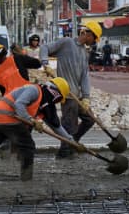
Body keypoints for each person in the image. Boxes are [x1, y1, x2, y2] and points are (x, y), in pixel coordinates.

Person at [0, 77, 72, 183]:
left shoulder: (43, 103)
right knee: (28, 147)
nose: (56, 102)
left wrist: (70, 141)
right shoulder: (34, 90)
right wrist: (31, 120)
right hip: (10, 119)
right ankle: (26, 181)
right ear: (55, 92)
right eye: (58, 99)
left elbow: (55, 126)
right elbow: (19, 104)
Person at [42, 22, 100, 158]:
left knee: (89, 120)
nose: (94, 41)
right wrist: (45, 64)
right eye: (94, 37)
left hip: (77, 95)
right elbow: (44, 48)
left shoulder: (84, 53)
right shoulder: (67, 43)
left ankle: (73, 142)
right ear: (87, 33)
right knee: (69, 125)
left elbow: (85, 76)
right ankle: (64, 153)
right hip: (66, 94)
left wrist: (86, 96)